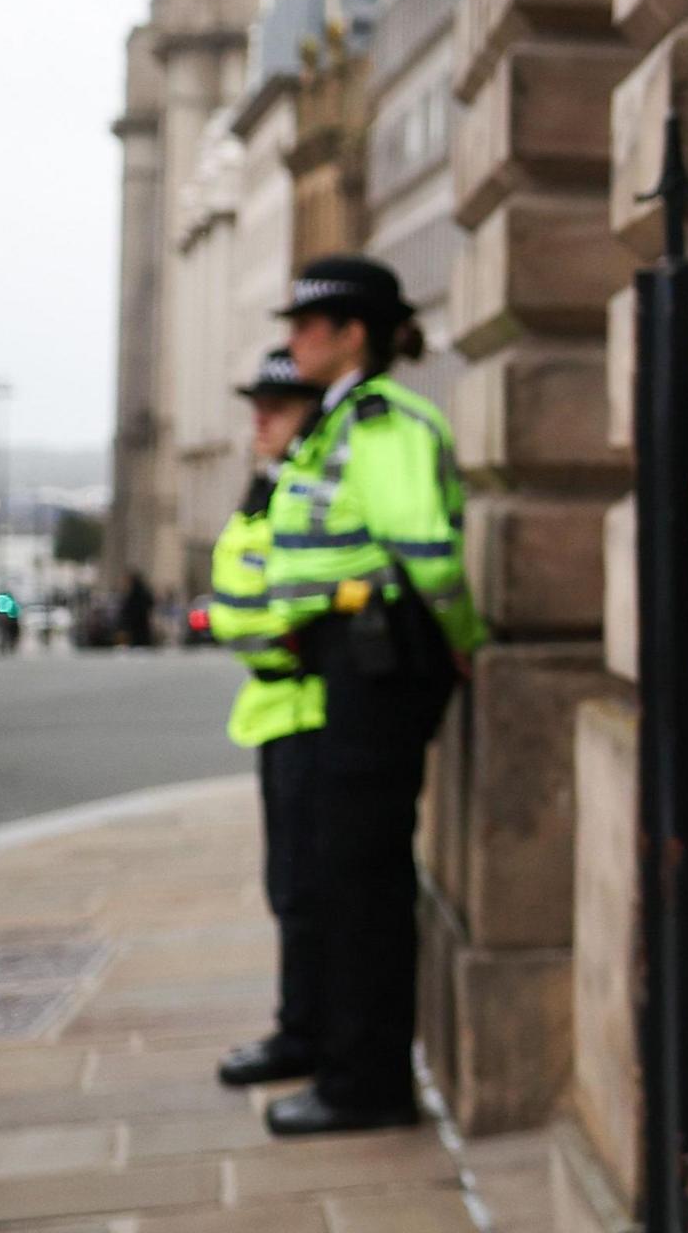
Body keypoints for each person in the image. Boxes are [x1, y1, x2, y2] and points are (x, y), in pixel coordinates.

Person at [255, 255, 483, 1136]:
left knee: (361, 879)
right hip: (352, 658)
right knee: (347, 872)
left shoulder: (382, 420)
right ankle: (354, 1069)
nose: (292, 340)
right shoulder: (340, 422)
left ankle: (367, 1083)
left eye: (306, 325)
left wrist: (464, 642)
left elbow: (425, 550)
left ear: (353, 334)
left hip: (381, 658)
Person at [207, 345, 327, 1093]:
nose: (260, 417)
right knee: (290, 888)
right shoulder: (266, 489)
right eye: (257, 403)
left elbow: (282, 602)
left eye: (277, 405)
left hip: (314, 708)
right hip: (277, 710)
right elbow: (235, 605)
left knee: (309, 890)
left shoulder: (303, 489)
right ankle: (303, 1030)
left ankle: (307, 1036)